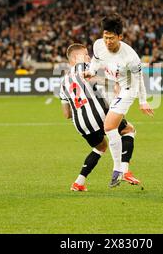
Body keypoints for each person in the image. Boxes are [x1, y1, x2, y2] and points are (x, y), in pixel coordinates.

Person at [84, 14, 154, 188]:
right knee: (127, 130)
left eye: (111, 38)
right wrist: (91, 71)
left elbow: (139, 80)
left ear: (120, 37)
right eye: (105, 37)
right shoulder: (99, 45)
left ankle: (118, 170)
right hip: (112, 88)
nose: (107, 41)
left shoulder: (131, 57)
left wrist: (142, 101)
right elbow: (96, 60)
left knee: (108, 126)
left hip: (127, 90)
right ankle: (126, 169)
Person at [60, 43, 140, 192]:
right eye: (85, 54)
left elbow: (66, 114)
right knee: (129, 130)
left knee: (101, 147)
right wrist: (115, 85)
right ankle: (124, 170)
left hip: (81, 124)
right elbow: (98, 80)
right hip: (100, 115)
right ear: (75, 58)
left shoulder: (63, 82)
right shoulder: (85, 67)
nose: (89, 57)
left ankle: (79, 182)